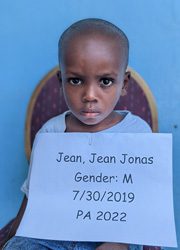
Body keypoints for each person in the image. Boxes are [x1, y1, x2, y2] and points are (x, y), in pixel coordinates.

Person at [2, 18, 151, 250]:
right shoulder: (52, 131)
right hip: (51, 233)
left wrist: (119, 240)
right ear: (61, 82)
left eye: (105, 81)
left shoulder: (137, 132)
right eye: (76, 80)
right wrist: (13, 235)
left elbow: (142, 198)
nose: (89, 95)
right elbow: (34, 193)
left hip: (111, 235)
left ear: (124, 84)